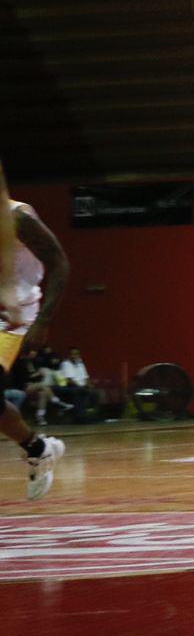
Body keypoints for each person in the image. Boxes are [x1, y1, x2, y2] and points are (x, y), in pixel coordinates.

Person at [0, 186, 69, 499]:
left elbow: (58, 262)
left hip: (14, 317)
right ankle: (38, 448)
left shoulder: (18, 216)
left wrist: (44, 321)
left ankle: (37, 449)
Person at [55, 347, 95, 418]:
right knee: (80, 391)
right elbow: (69, 380)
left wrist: (89, 385)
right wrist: (81, 387)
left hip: (82, 386)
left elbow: (86, 377)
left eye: (76, 354)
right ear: (69, 355)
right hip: (70, 386)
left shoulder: (80, 363)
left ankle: (91, 415)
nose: (74, 356)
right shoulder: (65, 364)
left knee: (95, 392)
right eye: (72, 354)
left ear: (78, 355)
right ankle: (80, 416)